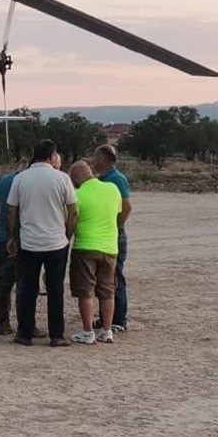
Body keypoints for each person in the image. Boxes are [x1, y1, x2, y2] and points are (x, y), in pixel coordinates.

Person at [6, 138, 77, 346]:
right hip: (56, 243)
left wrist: (12, 235)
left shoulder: (21, 179)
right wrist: (67, 233)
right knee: (55, 291)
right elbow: (73, 210)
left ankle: (24, 333)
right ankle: (56, 335)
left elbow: (11, 209)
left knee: (27, 290)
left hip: (29, 243)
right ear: (51, 156)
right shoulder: (62, 178)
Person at [67, 160, 122, 344]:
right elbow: (120, 211)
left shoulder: (77, 194)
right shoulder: (112, 189)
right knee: (107, 291)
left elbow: (72, 217)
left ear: (75, 178)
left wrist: (69, 235)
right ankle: (107, 330)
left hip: (85, 246)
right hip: (110, 247)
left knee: (86, 291)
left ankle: (88, 331)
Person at [90, 144, 133, 332]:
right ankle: (106, 317)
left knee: (115, 278)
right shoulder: (104, 179)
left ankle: (118, 320)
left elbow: (127, 206)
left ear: (102, 160)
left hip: (114, 236)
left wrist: (115, 225)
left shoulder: (117, 179)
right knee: (104, 279)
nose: (93, 162)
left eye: (95, 158)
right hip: (106, 236)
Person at [0, 165, 21, 335]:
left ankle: (1, 323)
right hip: (21, 237)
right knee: (24, 283)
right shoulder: (25, 182)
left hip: (1, 237)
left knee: (3, 282)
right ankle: (26, 323)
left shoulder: (4, 179)